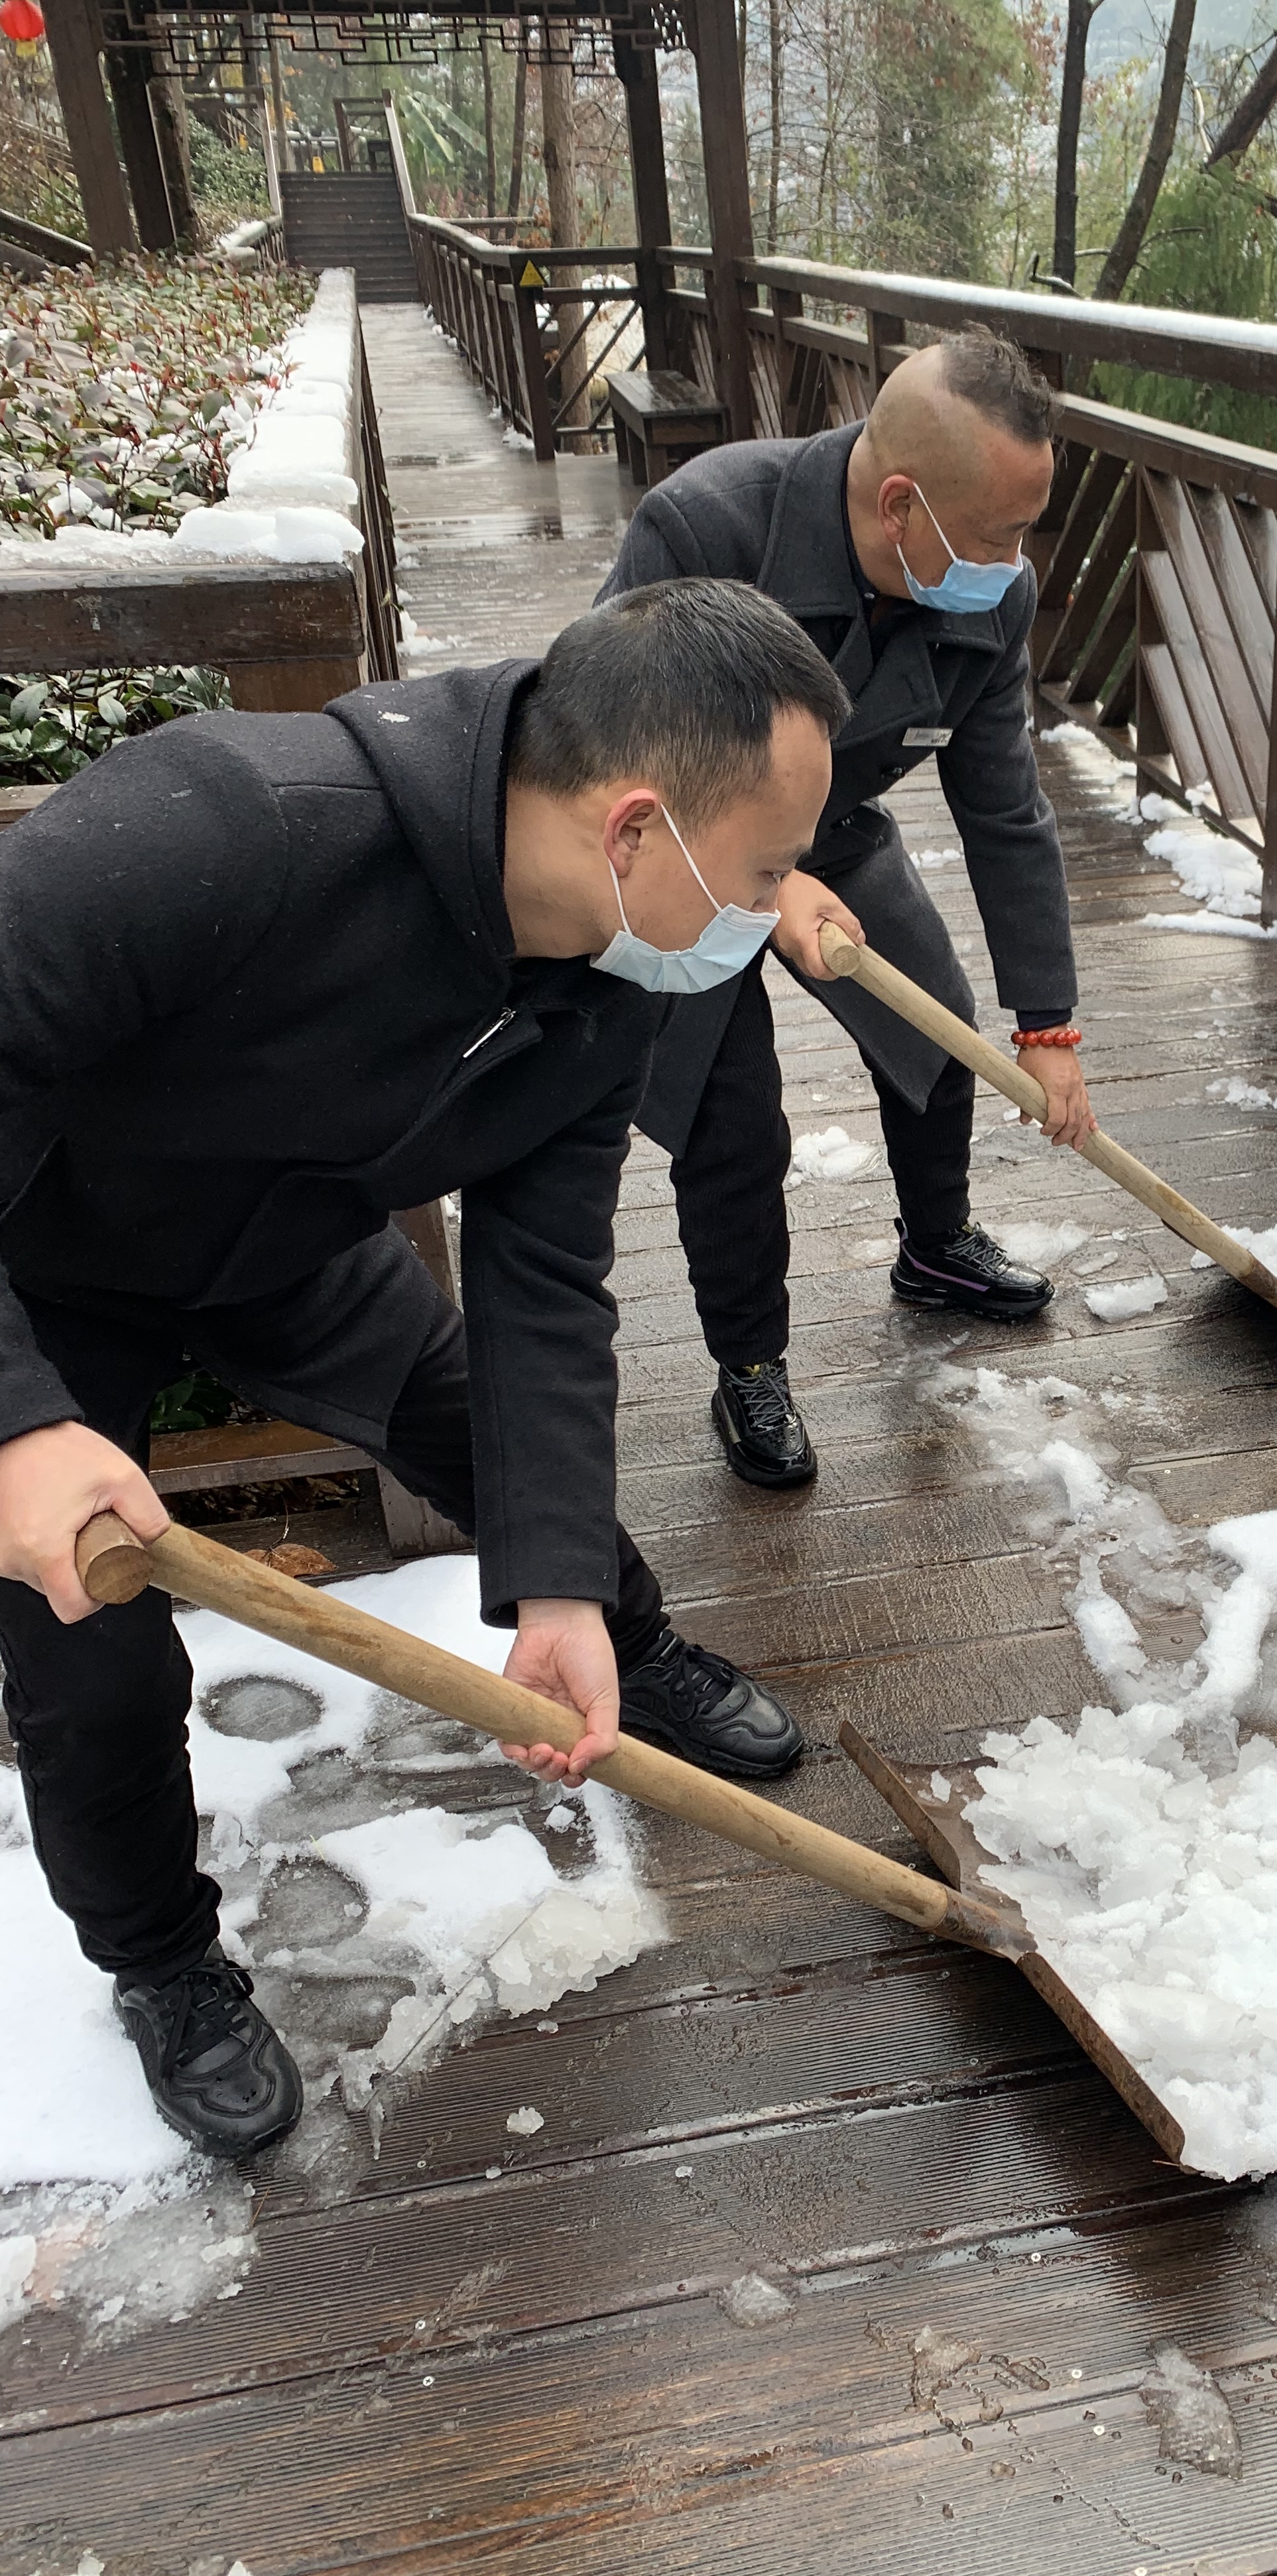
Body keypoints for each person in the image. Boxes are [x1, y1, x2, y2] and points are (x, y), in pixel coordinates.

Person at [0, 578, 849, 2158]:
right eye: (768, 869)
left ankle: (627, 1644)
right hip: (43, 1268)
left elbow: (543, 1280)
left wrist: (561, 1591)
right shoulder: (234, 821)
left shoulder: (610, 975)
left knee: (502, 1441)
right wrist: (18, 1424)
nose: (775, 910)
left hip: (287, 1249)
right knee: (85, 1647)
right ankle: (164, 1961)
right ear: (639, 825)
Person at [597, 327, 1097, 1491]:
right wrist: (755, 883)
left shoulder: (990, 597)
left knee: (941, 1019)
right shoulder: (706, 526)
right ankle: (751, 1365)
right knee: (733, 1116)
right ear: (901, 503)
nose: (1017, 560)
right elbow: (598, 738)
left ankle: (936, 1246)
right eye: (999, 533)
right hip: (682, 845)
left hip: (835, 826)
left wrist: (1051, 1023)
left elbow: (1005, 807)